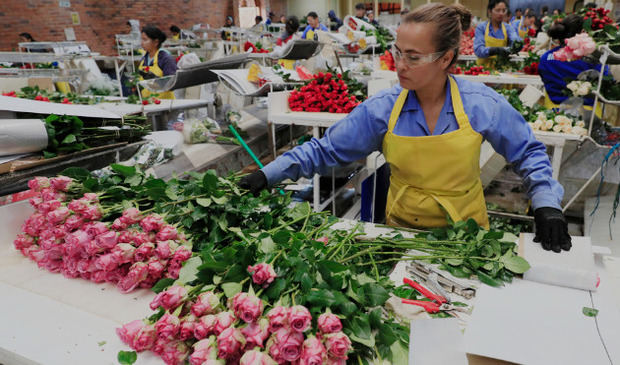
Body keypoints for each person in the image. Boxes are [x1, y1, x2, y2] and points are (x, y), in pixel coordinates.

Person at [240, 3, 571, 253]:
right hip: (400, 239)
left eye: (413, 57)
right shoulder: (383, 110)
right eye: (398, 52)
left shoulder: (481, 104)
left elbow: (528, 151)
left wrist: (546, 203)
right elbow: (325, 150)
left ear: (446, 58)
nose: (399, 65)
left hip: (468, 241)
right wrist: (267, 174)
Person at [538, 14, 609, 108]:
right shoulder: (592, 58)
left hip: (553, 115)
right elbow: (606, 83)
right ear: (582, 32)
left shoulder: (545, 58)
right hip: (588, 114)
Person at [474, 0, 521, 67]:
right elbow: (478, 50)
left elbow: (514, 38)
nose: (501, 13)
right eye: (498, 10)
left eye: (504, 10)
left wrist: (518, 44)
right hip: (482, 70)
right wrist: (494, 50)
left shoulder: (508, 28)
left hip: (501, 70)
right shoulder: (481, 28)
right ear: (489, 11)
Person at [138, 25, 176, 99]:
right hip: (148, 103)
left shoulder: (165, 59)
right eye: (141, 40)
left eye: (145, 40)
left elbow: (173, 84)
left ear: (156, 42)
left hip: (165, 105)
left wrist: (155, 79)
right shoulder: (143, 59)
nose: (142, 43)